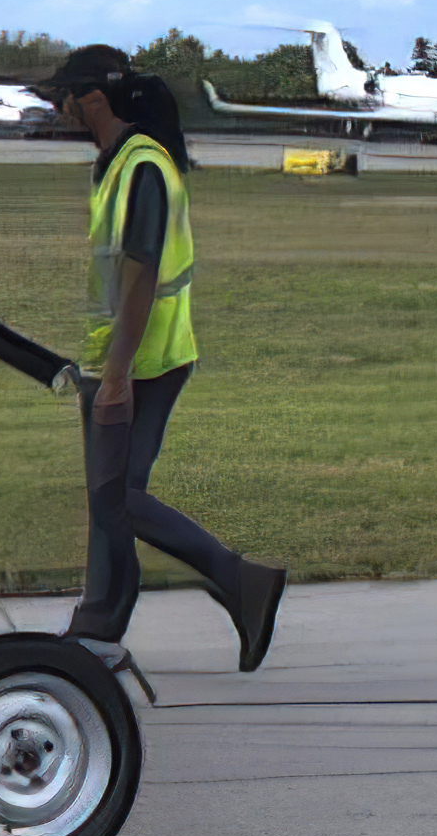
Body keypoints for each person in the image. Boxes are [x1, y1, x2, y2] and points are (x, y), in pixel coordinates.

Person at [44, 45, 285, 671]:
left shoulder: (141, 166)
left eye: (65, 98)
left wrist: (118, 375)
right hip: (144, 352)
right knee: (116, 493)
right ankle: (99, 626)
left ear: (93, 99)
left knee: (115, 497)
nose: (61, 110)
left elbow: (143, 272)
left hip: (141, 360)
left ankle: (238, 580)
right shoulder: (124, 160)